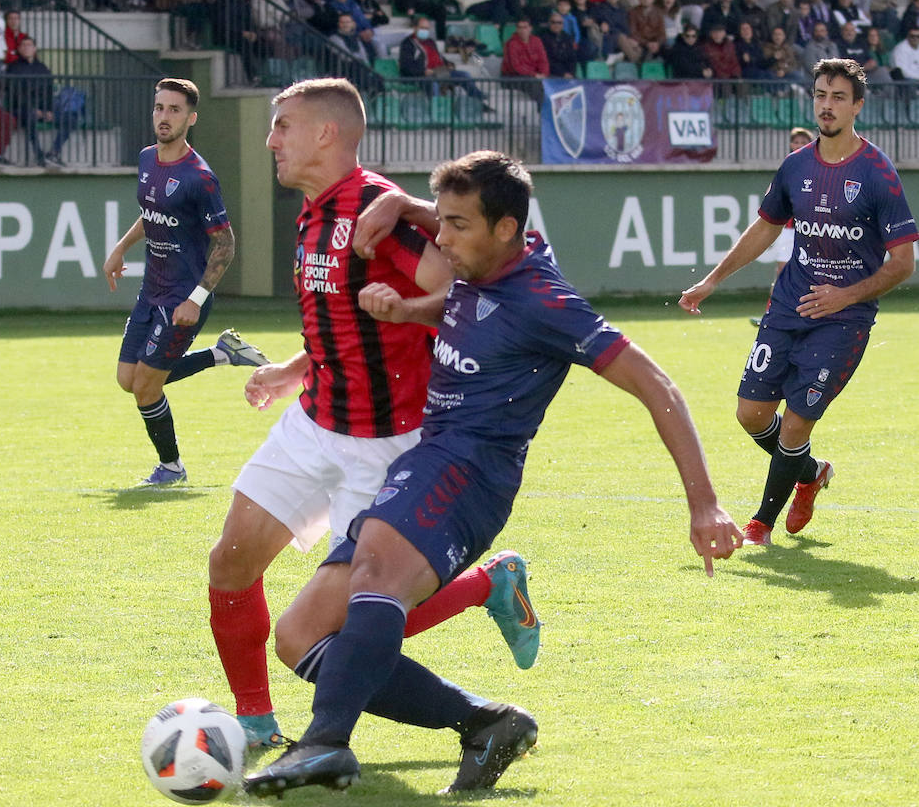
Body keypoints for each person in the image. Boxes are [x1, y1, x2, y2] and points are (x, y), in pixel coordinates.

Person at [244, 149, 741, 797]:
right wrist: (409, 295)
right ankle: (486, 723)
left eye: (456, 225)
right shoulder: (485, 253)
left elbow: (657, 384)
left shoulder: (545, 300)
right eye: (440, 221)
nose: (440, 237)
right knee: (301, 635)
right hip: (428, 457)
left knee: (374, 576)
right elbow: (464, 311)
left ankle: (326, 744)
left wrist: (703, 504)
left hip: (471, 473)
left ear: (507, 231)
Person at [205, 79, 543, 752]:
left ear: (326, 134)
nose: (270, 139)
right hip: (314, 421)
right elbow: (348, 323)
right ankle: (255, 723)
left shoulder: (372, 212)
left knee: (353, 623)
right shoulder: (312, 211)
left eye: (282, 126)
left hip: (393, 445)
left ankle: (485, 585)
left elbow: (456, 294)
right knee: (230, 563)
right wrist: (293, 369)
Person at [679, 58, 917, 546]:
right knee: (750, 414)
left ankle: (760, 525)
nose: (826, 106)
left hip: (844, 319)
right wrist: (712, 281)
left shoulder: (878, 174)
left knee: (794, 423)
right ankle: (810, 472)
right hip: (789, 306)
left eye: (837, 98)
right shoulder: (796, 165)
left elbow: (902, 264)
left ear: (857, 107)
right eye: (820, 96)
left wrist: (843, 296)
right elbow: (766, 227)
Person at [101, 78, 267, 487]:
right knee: (129, 379)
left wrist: (196, 298)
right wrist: (120, 247)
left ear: (190, 119)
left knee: (145, 388)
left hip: (184, 297)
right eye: (159, 108)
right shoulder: (146, 160)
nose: (164, 116)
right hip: (151, 291)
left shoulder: (200, 178)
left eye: (174, 110)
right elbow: (152, 211)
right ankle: (222, 354)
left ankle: (172, 468)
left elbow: (225, 245)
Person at [750, 126, 814, 326]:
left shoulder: (815, 166)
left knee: (812, 274)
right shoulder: (789, 166)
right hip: (789, 230)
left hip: (810, 230)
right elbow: (773, 193)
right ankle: (772, 315)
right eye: (796, 142)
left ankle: (809, 315)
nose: (799, 145)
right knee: (782, 273)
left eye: (804, 142)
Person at [5, 36, 73, 166]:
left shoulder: (42, 68)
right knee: (30, 117)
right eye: (23, 45)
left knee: (70, 118)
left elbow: (48, 91)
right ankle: (39, 155)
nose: (26, 48)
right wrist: (34, 110)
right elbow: (15, 94)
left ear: (34, 48)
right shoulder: (13, 68)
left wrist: (49, 110)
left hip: (42, 110)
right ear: (19, 49)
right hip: (21, 109)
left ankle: (53, 152)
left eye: (29, 45)